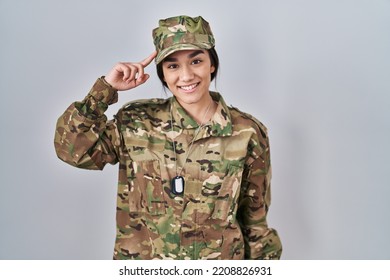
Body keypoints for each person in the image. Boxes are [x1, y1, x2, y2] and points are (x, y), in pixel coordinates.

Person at [54, 15, 282, 260]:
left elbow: (254, 221)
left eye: (196, 61)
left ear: (212, 64)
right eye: (172, 65)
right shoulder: (136, 122)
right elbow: (74, 151)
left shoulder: (247, 131)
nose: (186, 76)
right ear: (162, 73)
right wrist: (103, 91)